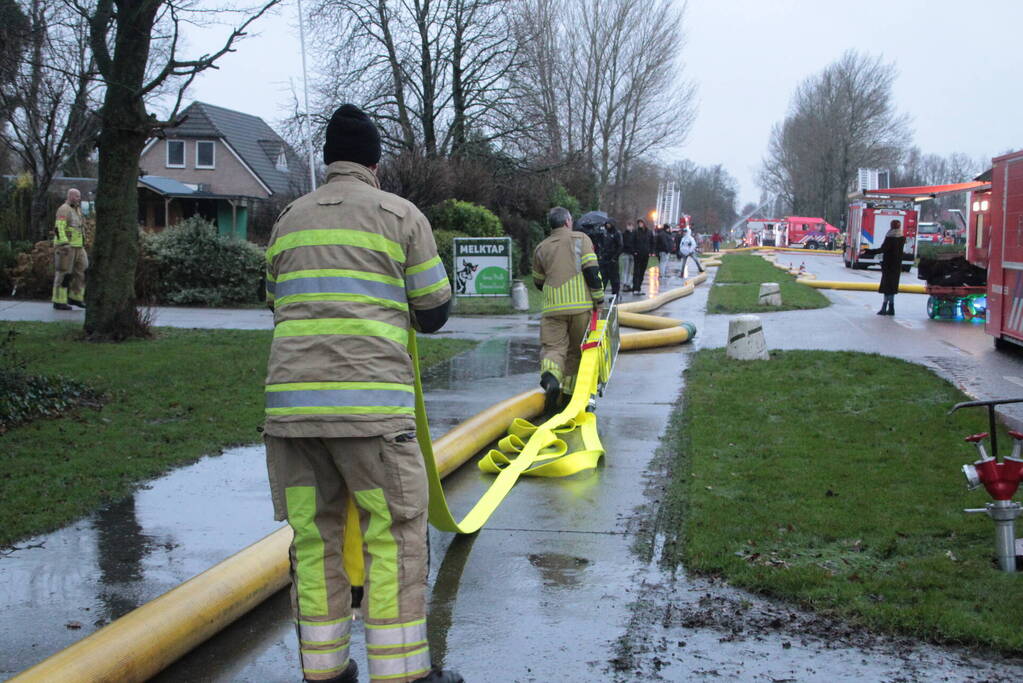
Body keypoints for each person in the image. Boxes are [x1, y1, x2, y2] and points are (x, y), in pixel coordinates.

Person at [262, 104, 461, 683]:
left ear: (327, 162)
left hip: (292, 420)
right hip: (374, 417)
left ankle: (324, 673)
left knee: (314, 538)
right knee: (393, 537)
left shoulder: (286, 220)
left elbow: (275, 302)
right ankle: (401, 675)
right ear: (375, 162)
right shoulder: (400, 215)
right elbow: (434, 311)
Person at [533, 206, 604, 413]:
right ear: (567, 222)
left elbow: (538, 282)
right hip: (580, 307)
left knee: (553, 348)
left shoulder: (541, 248)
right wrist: (599, 299)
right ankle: (569, 398)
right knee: (575, 352)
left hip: (553, 308)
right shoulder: (581, 239)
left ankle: (551, 380)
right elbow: (592, 271)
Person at [52, 188, 87, 311]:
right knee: (63, 272)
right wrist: (64, 243)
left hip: (78, 246)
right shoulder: (64, 209)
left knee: (82, 270)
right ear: (71, 196)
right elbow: (59, 227)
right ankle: (59, 300)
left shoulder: (77, 209)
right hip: (66, 247)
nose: (79, 199)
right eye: (77, 196)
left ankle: (76, 297)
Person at [863, 219, 905, 316]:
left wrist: (869, 251)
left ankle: (884, 307)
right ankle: (891, 308)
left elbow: (883, 249)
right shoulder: (902, 238)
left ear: (891, 226)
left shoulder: (890, 237)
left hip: (888, 264)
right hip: (897, 265)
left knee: (887, 287)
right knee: (893, 287)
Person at [599, 219, 623, 296]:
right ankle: (601, 293)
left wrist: (615, 258)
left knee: (614, 278)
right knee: (603, 277)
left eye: (609, 224)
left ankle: (615, 294)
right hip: (605, 258)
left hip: (613, 259)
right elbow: (602, 244)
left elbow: (620, 246)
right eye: (607, 224)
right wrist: (601, 254)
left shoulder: (617, 233)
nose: (607, 225)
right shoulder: (604, 233)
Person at [631, 218, 653, 294]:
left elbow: (652, 242)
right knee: (636, 271)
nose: (640, 224)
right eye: (639, 223)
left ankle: (639, 287)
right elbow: (632, 242)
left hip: (645, 254)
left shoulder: (649, 232)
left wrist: (651, 252)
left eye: (641, 223)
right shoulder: (636, 232)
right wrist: (634, 251)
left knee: (642, 271)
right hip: (637, 254)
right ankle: (635, 288)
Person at [620, 221, 635, 291]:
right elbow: (624, 243)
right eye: (629, 225)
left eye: (631, 225)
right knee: (625, 270)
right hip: (626, 253)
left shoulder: (634, 234)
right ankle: (625, 283)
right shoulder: (624, 234)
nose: (630, 227)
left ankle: (629, 283)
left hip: (632, 254)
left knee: (630, 270)